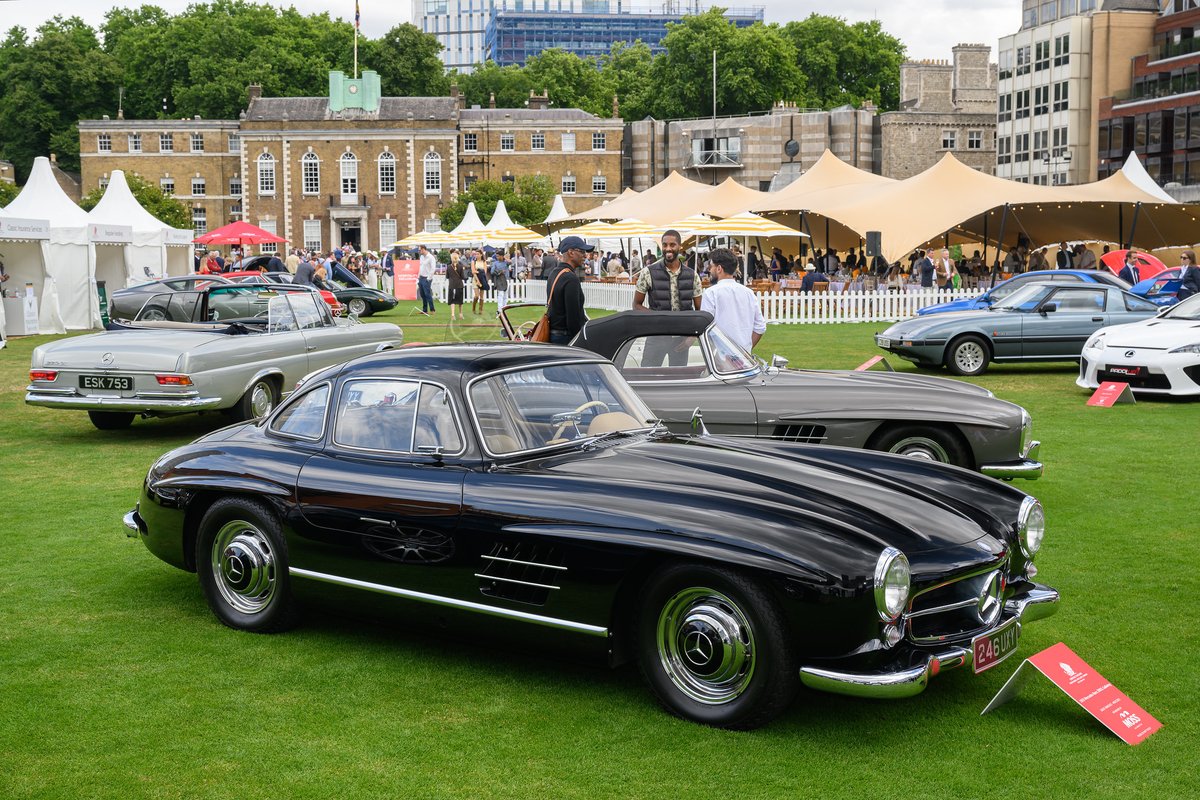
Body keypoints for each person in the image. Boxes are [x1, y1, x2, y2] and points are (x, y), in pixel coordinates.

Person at [701, 248, 765, 352]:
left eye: (711, 266)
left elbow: (705, 327)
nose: (709, 270)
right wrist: (744, 352)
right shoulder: (748, 293)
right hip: (744, 359)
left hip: (719, 357)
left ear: (719, 269)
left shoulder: (711, 293)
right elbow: (760, 326)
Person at [634, 230, 703, 311]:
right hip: (658, 323)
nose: (668, 249)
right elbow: (636, 305)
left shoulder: (693, 275)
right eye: (664, 245)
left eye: (672, 245)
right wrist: (655, 317)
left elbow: (700, 309)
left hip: (685, 323)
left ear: (680, 246)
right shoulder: (647, 272)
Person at [546, 236, 588, 344]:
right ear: (571, 252)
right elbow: (573, 317)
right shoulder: (570, 278)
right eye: (582, 251)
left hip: (554, 335)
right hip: (565, 337)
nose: (585, 255)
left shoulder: (554, 273)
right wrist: (579, 341)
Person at [416, 244, 436, 315]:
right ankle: (425, 310)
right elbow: (420, 267)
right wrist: (418, 277)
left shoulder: (431, 257)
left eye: (420, 250)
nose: (419, 251)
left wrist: (428, 278)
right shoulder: (421, 257)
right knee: (422, 294)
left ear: (424, 249)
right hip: (421, 277)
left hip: (427, 278)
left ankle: (432, 310)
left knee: (427, 294)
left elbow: (433, 268)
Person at [446, 250, 466, 320]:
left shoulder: (448, 267)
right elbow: (463, 277)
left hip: (452, 285)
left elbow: (447, 276)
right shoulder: (460, 267)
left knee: (452, 301)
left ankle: (452, 314)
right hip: (459, 285)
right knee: (460, 301)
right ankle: (460, 314)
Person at [471, 249, 489, 316]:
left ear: (481, 254)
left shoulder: (484, 262)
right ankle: (473, 308)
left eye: (478, 254)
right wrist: (477, 280)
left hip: (482, 279)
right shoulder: (473, 262)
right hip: (475, 279)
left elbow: (484, 272)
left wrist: (477, 271)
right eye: (475, 254)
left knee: (481, 296)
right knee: (476, 296)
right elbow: (473, 271)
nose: (476, 255)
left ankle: (480, 310)